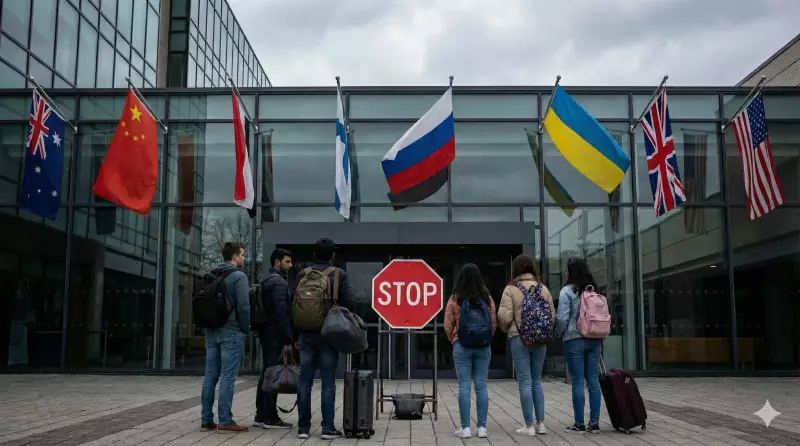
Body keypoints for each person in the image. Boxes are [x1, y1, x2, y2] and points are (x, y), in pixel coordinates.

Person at [293, 238, 356, 440]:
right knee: (328, 381)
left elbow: (292, 305)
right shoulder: (338, 274)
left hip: (305, 334)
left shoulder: (302, 274)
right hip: (329, 334)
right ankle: (327, 428)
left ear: (314, 255)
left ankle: (303, 428)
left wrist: (294, 335)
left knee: (305, 381)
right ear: (332, 256)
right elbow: (350, 303)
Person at [498, 254, 555, 436]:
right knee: (536, 380)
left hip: (519, 337)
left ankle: (528, 426)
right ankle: (541, 423)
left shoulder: (511, 289)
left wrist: (508, 329)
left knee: (524, 381)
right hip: (541, 339)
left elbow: (504, 316)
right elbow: (552, 316)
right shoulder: (543, 289)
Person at [200, 241, 251, 433]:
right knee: (228, 376)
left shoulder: (212, 274)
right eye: (242, 254)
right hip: (231, 331)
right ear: (235, 256)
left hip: (211, 330)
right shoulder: (238, 276)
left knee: (210, 375)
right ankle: (225, 420)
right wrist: (245, 329)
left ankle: (206, 419)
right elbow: (243, 307)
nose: (244, 258)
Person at [444, 263, 497, 439]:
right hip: (483, 346)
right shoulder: (486, 298)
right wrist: (485, 338)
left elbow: (448, 324)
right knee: (481, 386)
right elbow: (493, 323)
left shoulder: (455, 298)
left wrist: (454, 339)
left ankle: (465, 428)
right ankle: (482, 428)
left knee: (464, 386)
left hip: (462, 345)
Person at [556, 257, 602, 435]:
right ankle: (595, 424)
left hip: (574, 338)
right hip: (594, 338)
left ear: (571, 272)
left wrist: (558, 332)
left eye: (567, 269)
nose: (565, 272)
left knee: (577, 381)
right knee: (593, 381)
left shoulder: (567, 291)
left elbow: (562, 318)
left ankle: (579, 423)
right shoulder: (594, 290)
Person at [253, 249, 294, 430]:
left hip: (265, 333)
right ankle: (270, 417)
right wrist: (287, 339)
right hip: (274, 335)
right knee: (272, 374)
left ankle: (261, 414)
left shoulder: (266, 280)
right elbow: (281, 314)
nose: (290, 265)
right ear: (277, 262)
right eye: (287, 261)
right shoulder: (278, 283)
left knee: (266, 373)